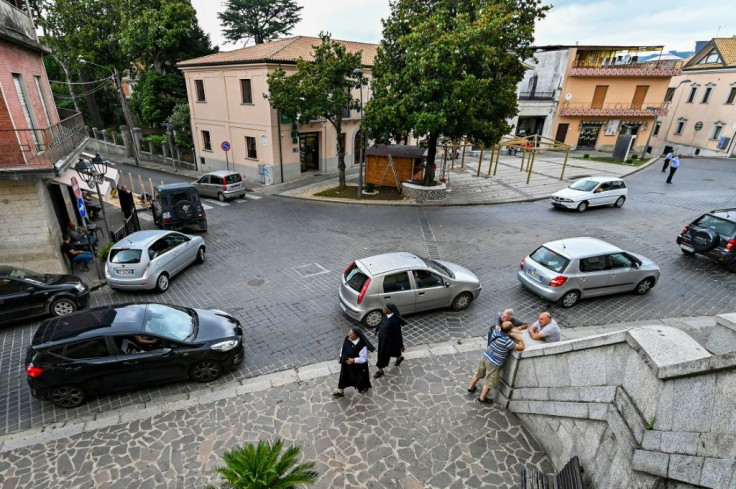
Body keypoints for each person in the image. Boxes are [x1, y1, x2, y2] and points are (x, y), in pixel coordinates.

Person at [468, 321, 525, 404]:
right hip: (493, 363)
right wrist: (520, 340)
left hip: (485, 356)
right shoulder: (506, 341)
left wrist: (511, 334)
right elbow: (521, 347)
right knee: (489, 381)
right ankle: (482, 398)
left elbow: (498, 327)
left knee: (478, 373)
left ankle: (471, 387)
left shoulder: (496, 332)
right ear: (510, 330)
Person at [332, 327, 375, 398]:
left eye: (351, 334)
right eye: (349, 332)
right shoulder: (347, 338)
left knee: (359, 378)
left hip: (357, 368)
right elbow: (343, 347)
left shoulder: (362, 346)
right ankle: (340, 391)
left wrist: (354, 360)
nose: (348, 334)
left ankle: (363, 387)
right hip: (346, 365)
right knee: (343, 377)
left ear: (356, 335)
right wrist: (340, 355)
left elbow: (364, 358)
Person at [373, 303, 406, 378]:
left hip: (387, 342)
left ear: (389, 310)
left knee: (382, 355)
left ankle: (380, 370)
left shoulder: (395, 321)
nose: (383, 309)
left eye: (385, 308)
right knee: (394, 350)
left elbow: (398, 334)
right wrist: (376, 330)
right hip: (383, 339)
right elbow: (381, 323)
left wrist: (401, 346)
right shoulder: (385, 315)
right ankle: (399, 358)